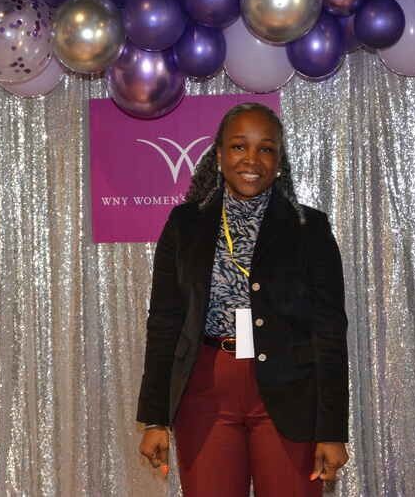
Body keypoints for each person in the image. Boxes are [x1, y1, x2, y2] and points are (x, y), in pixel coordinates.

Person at [136, 102, 350, 496]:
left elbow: (330, 332)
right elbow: (165, 321)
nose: (251, 159)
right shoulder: (185, 225)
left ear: (279, 161)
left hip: (290, 392)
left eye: (265, 148)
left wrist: (332, 430)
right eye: (238, 146)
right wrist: (154, 418)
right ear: (218, 155)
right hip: (205, 390)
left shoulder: (310, 228)